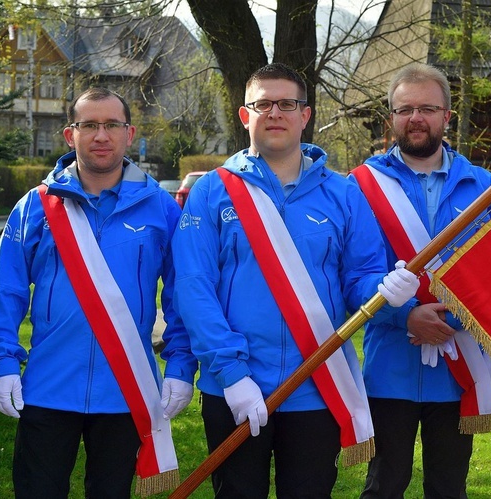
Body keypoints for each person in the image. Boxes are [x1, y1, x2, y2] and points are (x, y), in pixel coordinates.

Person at [170, 63, 419, 498]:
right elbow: (193, 287)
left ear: (305, 115)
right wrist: (231, 373)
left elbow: (360, 277)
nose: (275, 113)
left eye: (288, 103)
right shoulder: (212, 192)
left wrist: (386, 291)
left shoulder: (343, 193)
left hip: (316, 387)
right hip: (233, 385)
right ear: (245, 116)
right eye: (263, 103)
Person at [0, 88, 197, 498]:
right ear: (70, 135)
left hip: (125, 389)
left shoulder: (162, 209)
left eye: (112, 125)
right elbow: (5, 290)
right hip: (47, 388)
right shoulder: (36, 207)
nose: (102, 135)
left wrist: (181, 366)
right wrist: (4, 361)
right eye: (90, 125)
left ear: (129, 133)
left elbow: (183, 295)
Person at [350, 63, 491, 498]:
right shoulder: (360, 188)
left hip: (458, 372)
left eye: (426, 108)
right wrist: (405, 318)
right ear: (391, 118)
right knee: (384, 487)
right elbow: (354, 276)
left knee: (448, 487)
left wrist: (452, 319)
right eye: (405, 109)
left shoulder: (487, 189)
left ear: (447, 117)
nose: (415, 118)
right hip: (389, 372)